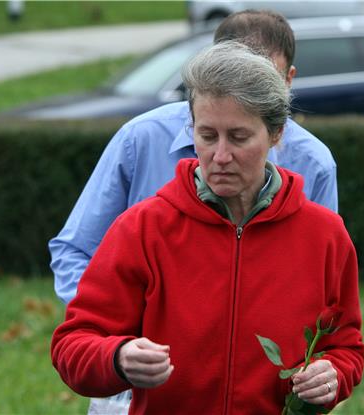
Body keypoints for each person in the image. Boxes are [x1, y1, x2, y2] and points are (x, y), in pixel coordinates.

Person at [51, 41, 364, 414]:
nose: (220, 156)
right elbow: (72, 344)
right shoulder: (143, 228)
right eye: (207, 135)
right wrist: (117, 358)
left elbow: (346, 346)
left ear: (277, 133)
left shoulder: (325, 235)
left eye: (239, 137)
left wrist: (332, 375)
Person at [49, 9, 338, 306]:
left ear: (288, 81)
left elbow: (321, 282)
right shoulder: (140, 139)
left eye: (264, 84)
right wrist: (106, 333)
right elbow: (77, 250)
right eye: (208, 136)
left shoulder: (314, 163)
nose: (222, 156)